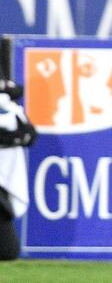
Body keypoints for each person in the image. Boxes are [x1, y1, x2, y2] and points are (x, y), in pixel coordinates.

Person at [0, 74, 36, 261]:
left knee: (8, 251)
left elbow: (30, 135)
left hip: (3, 181)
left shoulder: (11, 109)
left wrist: (12, 137)